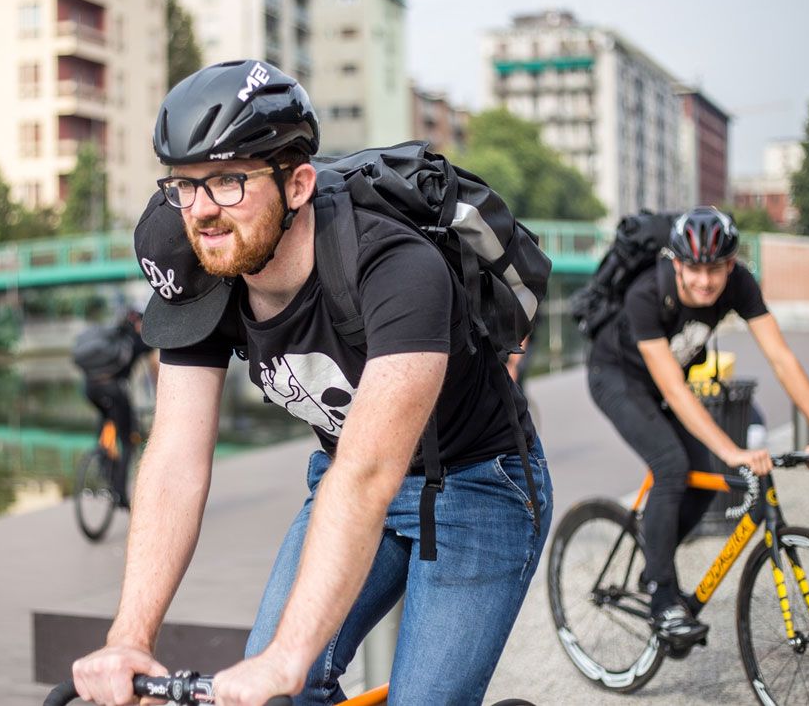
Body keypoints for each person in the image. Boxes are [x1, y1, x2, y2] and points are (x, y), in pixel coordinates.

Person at [70, 60, 552, 706]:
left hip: (475, 486)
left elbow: (369, 472)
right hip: (341, 480)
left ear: (297, 184)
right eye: (183, 185)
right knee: (276, 696)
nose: (202, 211)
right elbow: (177, 453)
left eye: (229, 181)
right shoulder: (199, 258)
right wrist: (129, 635)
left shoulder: (394, 267)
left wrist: (288, 659)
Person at [585, 206, 809, 651]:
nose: (705, 282)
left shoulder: (740, 284)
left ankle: (655, 557)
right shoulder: (647, 293)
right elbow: (673, 385)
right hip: (618, 378)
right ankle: (663, 595)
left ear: (731, 264)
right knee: (671, 464)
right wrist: (731, 448)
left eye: (716, 270)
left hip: (666, 382)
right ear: (675, 261)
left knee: (707, 478)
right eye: (694, 269)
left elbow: (781, 358)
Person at [79, 308, 154, 508]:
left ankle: (103, 458)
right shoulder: (137, 342)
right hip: (114, 390)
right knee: (128, 440)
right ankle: (120, 492)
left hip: (89, 388)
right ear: (138, 324)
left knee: (107, 417)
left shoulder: (112, 337)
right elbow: (154, 359)